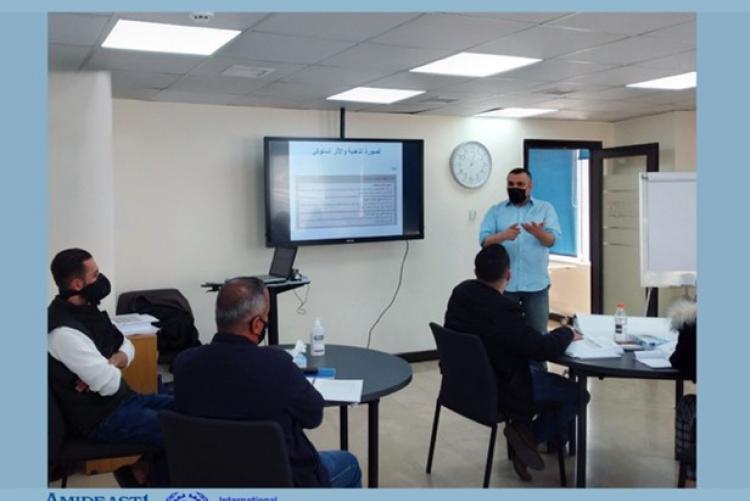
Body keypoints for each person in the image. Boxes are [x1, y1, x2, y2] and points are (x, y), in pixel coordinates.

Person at [172, 277, 361, 488]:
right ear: (257, 324)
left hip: (210, 480)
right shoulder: (276, 365)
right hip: (283, 482)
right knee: (348, 464)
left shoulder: (184, 364)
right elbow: (313, 415)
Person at [444, 245, 587, 482]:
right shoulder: (504, 310)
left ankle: (549, 443)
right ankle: (530, 438)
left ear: (475, 271)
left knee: (546, 378)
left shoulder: (461, 293)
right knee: (577, 394)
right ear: (508, 275)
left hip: (462, 384)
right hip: (499, 388)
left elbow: (517, 341)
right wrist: (567, 333)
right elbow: (541, 350)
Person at [48, 248, 173, 486]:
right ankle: (152, 483)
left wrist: (108, 362)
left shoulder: (87, 310)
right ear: (76, 284)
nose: (101, 279)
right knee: (181, 430)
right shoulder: (63, 332)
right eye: (95, 275)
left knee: (186, 407)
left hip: (123, 401)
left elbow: (127, 347)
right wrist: (108, 368)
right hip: (101, 420)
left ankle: (140, 471)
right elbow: (109, 385)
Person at [479, 168, 561, 346]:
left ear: (530, 186)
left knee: (538, 338)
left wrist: (538, 233)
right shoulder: (496, 211)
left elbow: (552, 240)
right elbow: (484, 241)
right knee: (504, 337)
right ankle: (510, 374)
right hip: (504, 287)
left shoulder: (545, 209)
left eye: (520, 184)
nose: (514, 187)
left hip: (536, 286)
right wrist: (503, 235)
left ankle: (538, 373)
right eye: (511, 184)